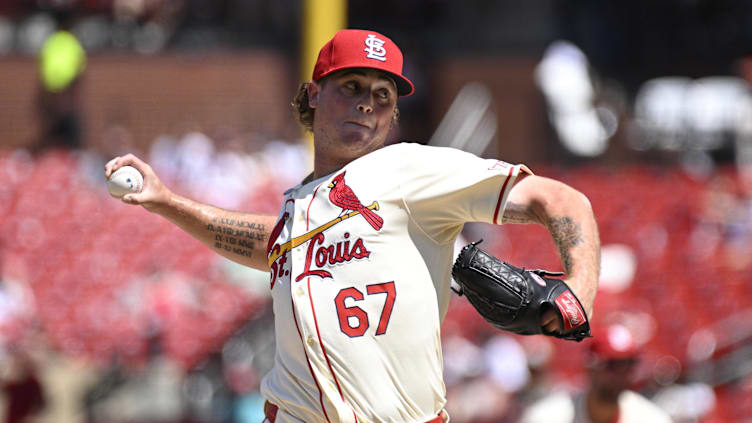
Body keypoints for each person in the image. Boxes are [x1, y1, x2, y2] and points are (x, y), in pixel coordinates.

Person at [105, 29, 601, 423]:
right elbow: (273, 243)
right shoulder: (297, 205)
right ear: (314, 95)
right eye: (352, 87)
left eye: (383, 94)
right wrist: (167, 202)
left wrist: (579, 287)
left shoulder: (410, 171)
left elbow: (558, 199)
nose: (367, 103)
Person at [519, 324, 673, 423]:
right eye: (614, 365)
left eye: (629, 365)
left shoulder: (651, 419)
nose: (622, 374)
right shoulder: (547, 418)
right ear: (591, 368)